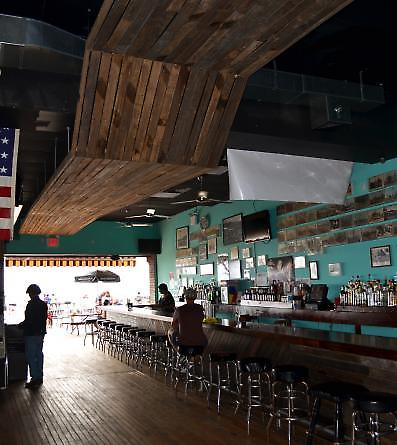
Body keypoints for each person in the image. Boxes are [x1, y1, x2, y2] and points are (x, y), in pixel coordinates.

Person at [18, 284, 48, 389]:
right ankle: (39, 377)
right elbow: (42, 320)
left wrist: (20, 325)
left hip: (31, 333)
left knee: (31, 356)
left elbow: (29, 320)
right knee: (39, 355)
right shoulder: (44, 304)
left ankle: (34, 378)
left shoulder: (30, 305)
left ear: (31, 293)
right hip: (40, 333)